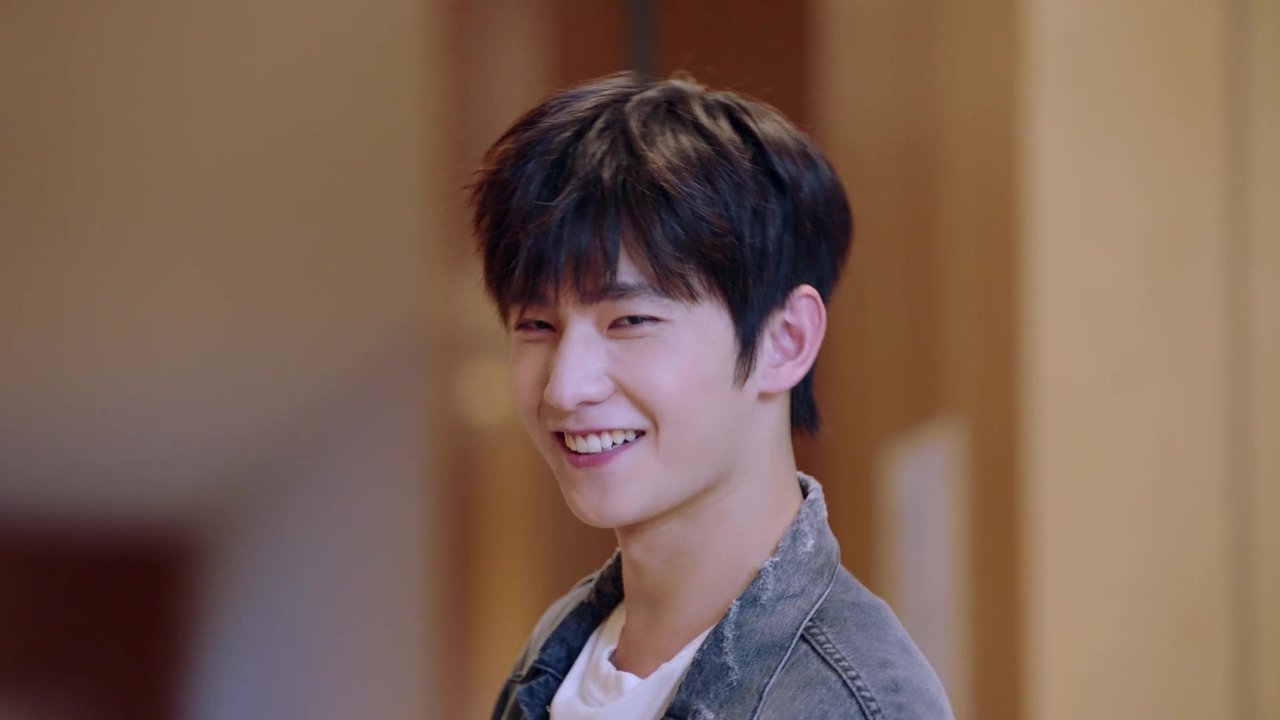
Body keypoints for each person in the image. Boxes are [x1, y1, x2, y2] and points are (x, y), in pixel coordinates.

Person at [470, 72, 953, 720]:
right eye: (536, 325)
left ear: (785, 341)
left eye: (629, 321)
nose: (565, 386)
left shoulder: (850, 701)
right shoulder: (560, 651)